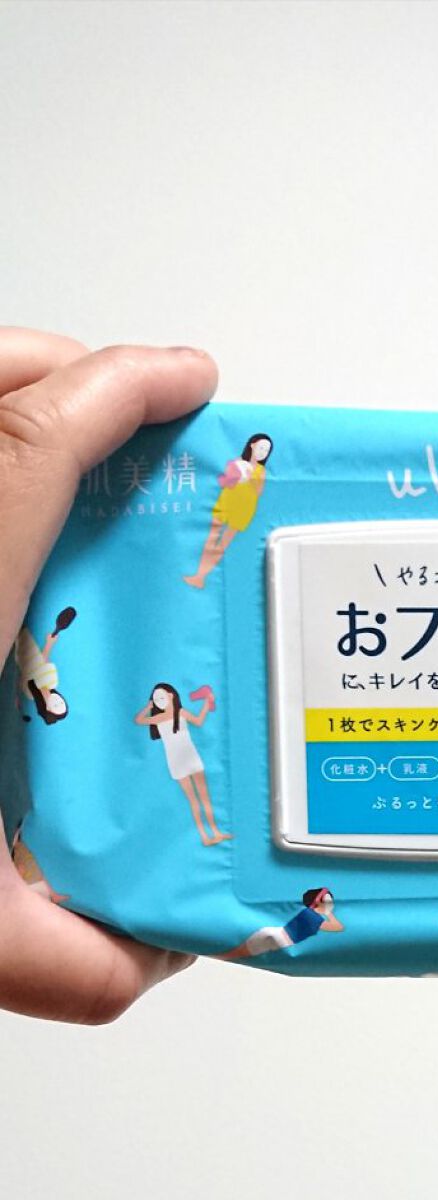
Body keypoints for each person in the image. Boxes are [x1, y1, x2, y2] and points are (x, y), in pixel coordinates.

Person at [0, 326, 218, 1022]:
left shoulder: (47, 675)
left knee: (195, 801)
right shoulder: (49, 680)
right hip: (153, 767)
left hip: (173, 758)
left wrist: (196, 703)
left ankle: (206, 834)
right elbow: (132, 712)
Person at [133, 683, 231, 846]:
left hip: (190, 758)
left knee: (203, 798)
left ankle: (214, 832)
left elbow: (198, 721)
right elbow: (138, 720)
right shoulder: (160, 717)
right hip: (178, 761)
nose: (159, 701)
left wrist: (206, 704)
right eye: (156, 699)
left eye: (161, 697)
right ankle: (205, 835)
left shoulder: (180, 712)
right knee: (194, 800)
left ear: (171, 695)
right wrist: (148, 707)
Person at [183, 433, 273, 588]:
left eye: (266, 450)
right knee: (211, 539)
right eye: (261, 447)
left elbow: (258, 492)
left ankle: (202, 576)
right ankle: (199, 575)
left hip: (243, 509)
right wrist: (235, 475)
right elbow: (224, 482)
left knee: (222, 545)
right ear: (252, 445)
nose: (263, 452)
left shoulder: (261, 471)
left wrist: (250, 479)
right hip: (225, 503)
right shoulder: (237, 462)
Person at [217, 888, 344, 961]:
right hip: (274, 939)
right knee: (233, 956)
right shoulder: (312, 918)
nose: (330, 903)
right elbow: (338, 927)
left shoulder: (309, 914)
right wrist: (328, 913)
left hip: (274, 937)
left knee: (234, 955)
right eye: (328, 900)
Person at [14, 605, 75, 724]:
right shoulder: (52, 681)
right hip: (26, 641)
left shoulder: (29, 692)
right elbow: (43, 661)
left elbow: (22, 675)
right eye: (61, 702)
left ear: (48, 708)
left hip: (14, 649)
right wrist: (49, 643)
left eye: (56, 706)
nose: (58, 701)